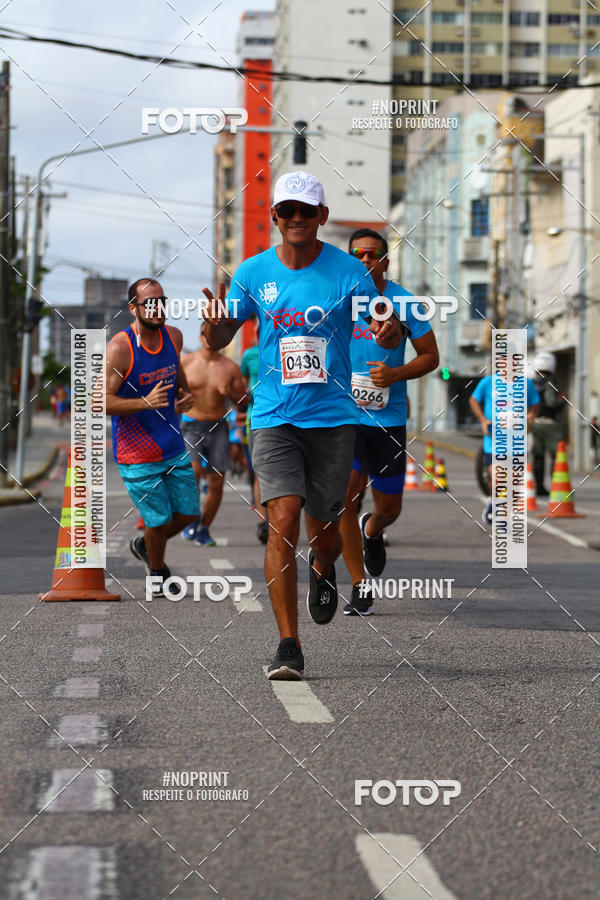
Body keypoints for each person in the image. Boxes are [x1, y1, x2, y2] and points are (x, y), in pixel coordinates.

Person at [202, 171, 402, 680]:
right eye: (286, 211)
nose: (295, 219)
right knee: (283, 520)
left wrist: (386, 334)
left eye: (305, 211)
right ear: (274, 216)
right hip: (273, 415)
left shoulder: (348, 273)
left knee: (326, 530)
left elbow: (377, 327)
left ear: (322, 217)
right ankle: (288, 645)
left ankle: (323, 566)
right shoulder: (253, 272)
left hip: (334, 418)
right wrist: (214, 327)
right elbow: (226, 329)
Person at [339, 229, 439, 616]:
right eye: (358, 255)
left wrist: (394, 375)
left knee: (390, 507)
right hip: (343, 416)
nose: (365, 260)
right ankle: (359, 585)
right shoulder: (337, 300)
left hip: (388, 418)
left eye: (373, 254)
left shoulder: (405, 303)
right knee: (345, 496)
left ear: (385, 260)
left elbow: (431, 357)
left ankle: (373, 530)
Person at [105, 278, 199, 596]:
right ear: (134, 308)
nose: (158, 308)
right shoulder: (121, 347)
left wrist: (186, 398)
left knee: (187, 514)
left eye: (162, 301)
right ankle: (157, 572)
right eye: (150, 303)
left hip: (172, 445)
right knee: (157, 520)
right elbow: (101, 400)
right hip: (136, 451)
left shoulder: (174, 336)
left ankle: (145, 547)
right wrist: (143, 403)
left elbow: (180, 382)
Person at [179, 331, 248, 546]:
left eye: (214, 334)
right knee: (194, 475)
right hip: (191, 425)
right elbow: (169, 390)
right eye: (204, 334)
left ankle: (203, 528)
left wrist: (230, 393)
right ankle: (190, 520)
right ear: (199, 337)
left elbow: (244, 403)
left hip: (218, 426)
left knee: (217, 482)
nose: (209, 338)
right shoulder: (186, 361)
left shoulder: (230, 367)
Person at [469, 370, 539, 524]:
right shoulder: (488, 382)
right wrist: (482, 420)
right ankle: (498, 508)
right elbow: (473, 400)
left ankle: (502, 513)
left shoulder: (526, 383)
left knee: (513, 482)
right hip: (493, 442)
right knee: (498, 478)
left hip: (517, 443)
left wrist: (531, 417)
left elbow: (534, 404)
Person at [240, 315, 269, 544]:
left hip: (286, 418)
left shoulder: (283, 350)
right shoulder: (249, 356)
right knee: (259, 471)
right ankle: (263, 521)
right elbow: (241, 386)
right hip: (255, 418)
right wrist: (245, 397)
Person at [530, 351, 565, 495]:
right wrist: (562, 400)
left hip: (535, 424)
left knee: (538, 457)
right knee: (557, 457)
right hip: (550, 425)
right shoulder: (550, 383)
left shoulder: (531, 383)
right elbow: (551, 402)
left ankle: (539, 487)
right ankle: (558, 488)